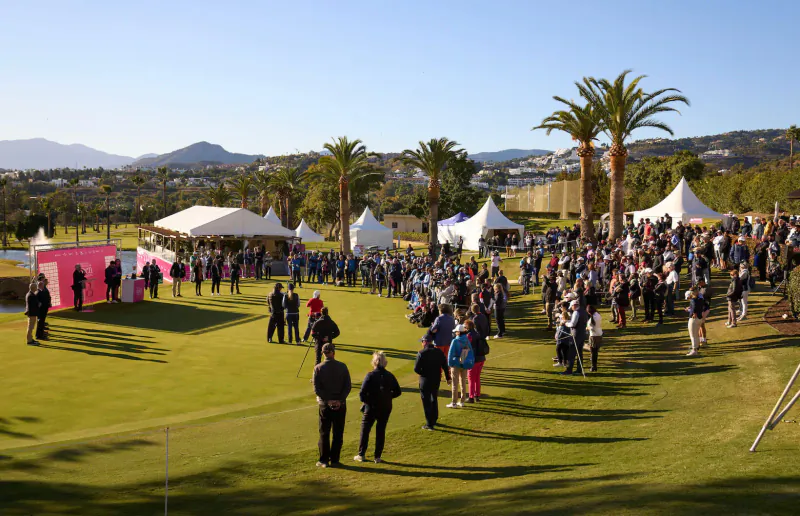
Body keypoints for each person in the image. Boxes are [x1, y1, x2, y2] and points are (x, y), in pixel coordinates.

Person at [354, 351, 401, 464]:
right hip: (385, 407)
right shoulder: (390, 375)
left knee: (365, 430)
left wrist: (369, 402)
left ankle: (361, 454)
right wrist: (387, 397)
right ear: (385, 363)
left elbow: (362, 395)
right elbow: (398, 391)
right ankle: (377, 456)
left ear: (374, 362)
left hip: (371, 407)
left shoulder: (370, 375)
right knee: (381, 431)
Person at [313, 343, 351, 468]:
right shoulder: (342, 366)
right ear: (333, 352)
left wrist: (328, 400)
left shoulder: (318, 368)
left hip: (325, 405)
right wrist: (339, 400)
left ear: (323, 353)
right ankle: (335, 459)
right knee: (338, 432)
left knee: (324, 432)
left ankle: (324, 460)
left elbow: (317, 389)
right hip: (340, 404)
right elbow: (347, 386)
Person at [414, 334, 450, 430]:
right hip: (436, 379)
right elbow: (445, 366)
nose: (422, 343)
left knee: (426, 401)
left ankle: (429, 424)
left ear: (425, 342)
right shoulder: (438, 352)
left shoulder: (421, 353)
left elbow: (416, 369)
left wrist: (424, 373)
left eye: (422, 341)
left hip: (425, 380)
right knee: (434, 398)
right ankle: (434, 419)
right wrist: (448, 377)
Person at [446, 324, 473, 408]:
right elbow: (470, 351)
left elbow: (450, 354)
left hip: (456, 364)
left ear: (458, 332)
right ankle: (462, 401)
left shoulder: (455, 341)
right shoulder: (467, 340)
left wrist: (450, 364)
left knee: (455, 384)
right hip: (464, 363)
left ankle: (454, 403)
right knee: (463, 383)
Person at [563, 300, 588, 375]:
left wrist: (566, 323)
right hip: (582, 334)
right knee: (580, 353)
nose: (572, 308)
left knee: (572, 353)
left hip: (575, 335)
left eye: (572, 307)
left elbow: (573, 324)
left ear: (574, 305)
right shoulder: (583, 311)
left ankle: (569, 370)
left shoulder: (576, 312)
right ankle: (579, 369)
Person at [465, 319, 487, 403]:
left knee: (471, 378)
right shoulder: (477, 334)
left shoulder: (469, 336)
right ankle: (477, 395)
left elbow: (466, 348)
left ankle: (471, 397)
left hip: (473, 360)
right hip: (481, 358)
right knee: (477, 378)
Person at [686, 288, 703, 356]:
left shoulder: (693, 300)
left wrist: (694, 312)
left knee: (693, 335)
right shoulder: (701, 298)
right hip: (699, 318)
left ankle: (694, 350)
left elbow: (695, 307)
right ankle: (696, 347)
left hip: (694, 318)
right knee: (696, 334)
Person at [586, 304, 602, 372]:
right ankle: (594, 365)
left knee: (593, 352)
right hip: (599, 334)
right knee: (595, 351)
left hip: (593, 335)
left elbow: (592, 328)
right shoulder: (598, 315)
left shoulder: (592, 319)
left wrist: (587, 328)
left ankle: (593, 366)